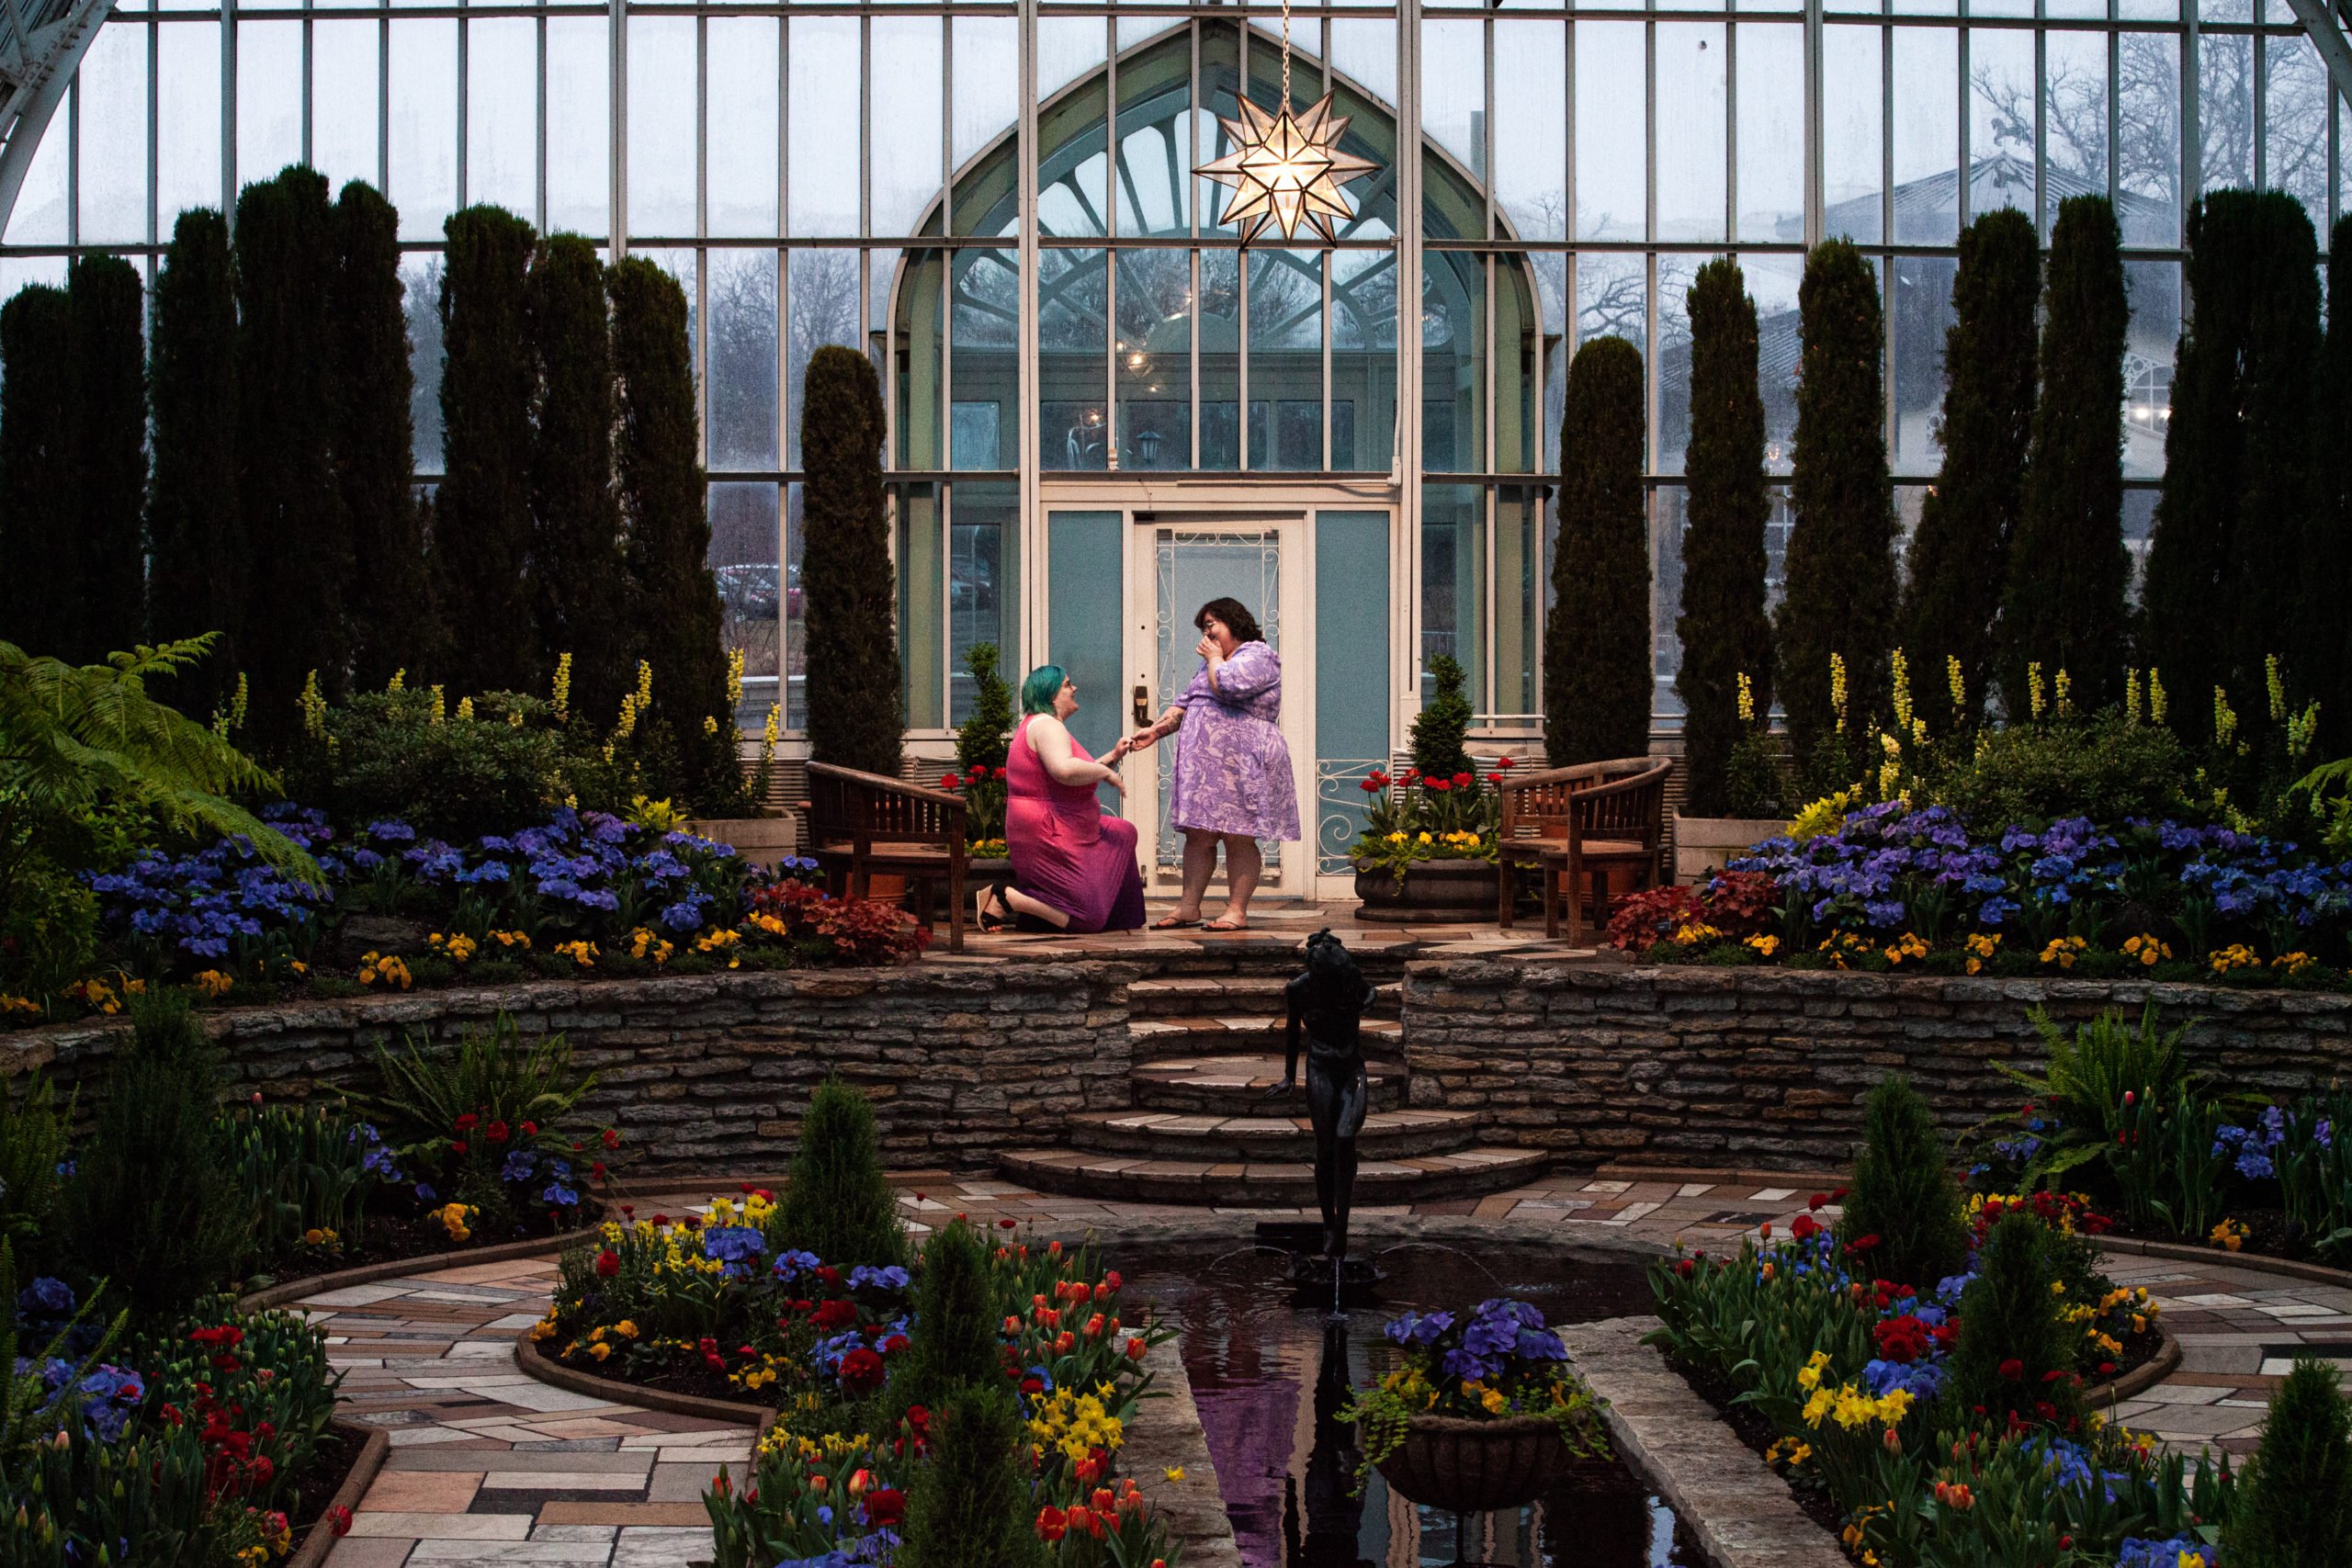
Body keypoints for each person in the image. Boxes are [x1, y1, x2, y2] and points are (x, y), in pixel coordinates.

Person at [1125, 596, 1300, 932]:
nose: (1205, 635)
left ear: (1234, 621)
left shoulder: (1258, 656)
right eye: (1203, 628)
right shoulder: (1213, 662)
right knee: (1199, 836)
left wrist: (1215, 658)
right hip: (1205, 768)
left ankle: (1236, 911)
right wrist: (1154, 732)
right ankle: (1189, 908)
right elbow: (1187, 703)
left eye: (1210, 625)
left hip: (1243, 763)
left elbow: (1229, 687)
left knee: (1238, 836)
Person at [975, 665, 1146, 934]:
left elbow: (1074, 772)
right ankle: (1009, 898)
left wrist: (1113, 756)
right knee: (1088, 918)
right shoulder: (1046, 725)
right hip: (1050, 830)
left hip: (1055, 824)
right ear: (1052, 695)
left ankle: (1111, 915)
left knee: (1122, 832)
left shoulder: (1039, 724)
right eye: (1068, 685)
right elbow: (1064, 770)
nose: (1074, 689)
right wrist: (1104, 773)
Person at [1271, 929, 1377, 1262]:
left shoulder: (1349, 977)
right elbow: (1292, 1032)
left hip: (1350, 1069)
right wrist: (1289, 1076)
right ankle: (1329, 1225)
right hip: (1319, 1066)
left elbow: (1369, 993)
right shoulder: (1299, 989)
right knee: (1325, 1147)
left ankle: (1341, 1226)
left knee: (1345, 1137)